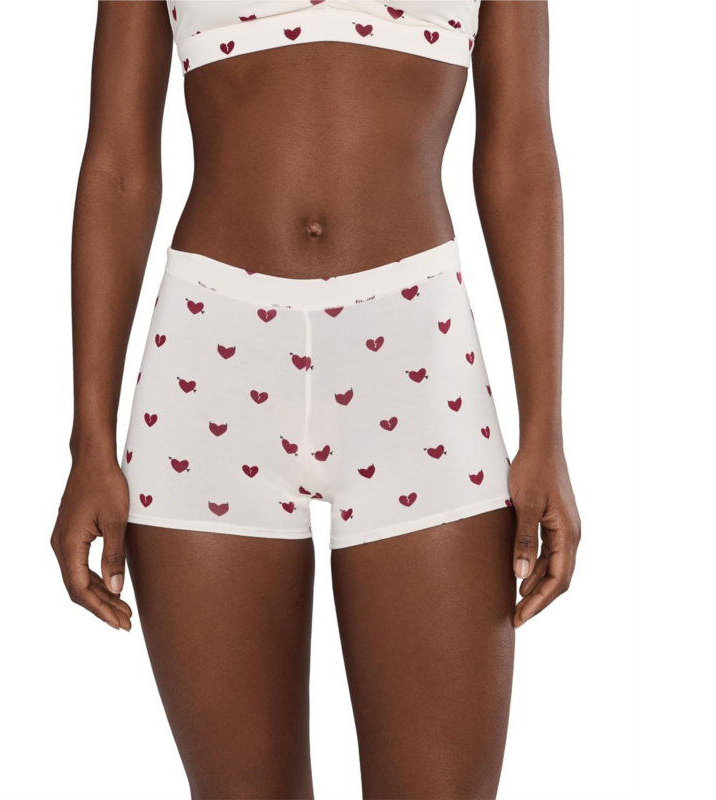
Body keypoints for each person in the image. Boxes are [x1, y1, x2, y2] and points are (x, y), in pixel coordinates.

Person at [50, 1, 582, 797]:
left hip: (419, 353)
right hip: (208, 356)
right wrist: (88, 440)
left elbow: (520, 156)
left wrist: (546, 430)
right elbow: (118, 165)